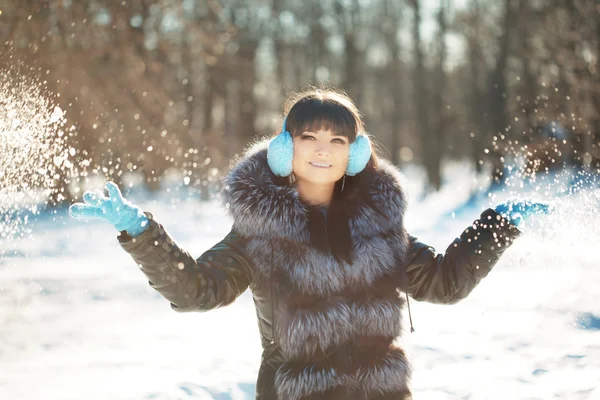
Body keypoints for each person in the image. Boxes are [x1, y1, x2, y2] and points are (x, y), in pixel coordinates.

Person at [69, 88, 552, 400]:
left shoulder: (379, 223)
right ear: (285, 148)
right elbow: (198, 290)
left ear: (355, 152)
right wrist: (140, 232)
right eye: (309, 136)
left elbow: (444, 283)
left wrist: (496, 226)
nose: (323, 149)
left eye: (339, 140)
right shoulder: (260, 230)